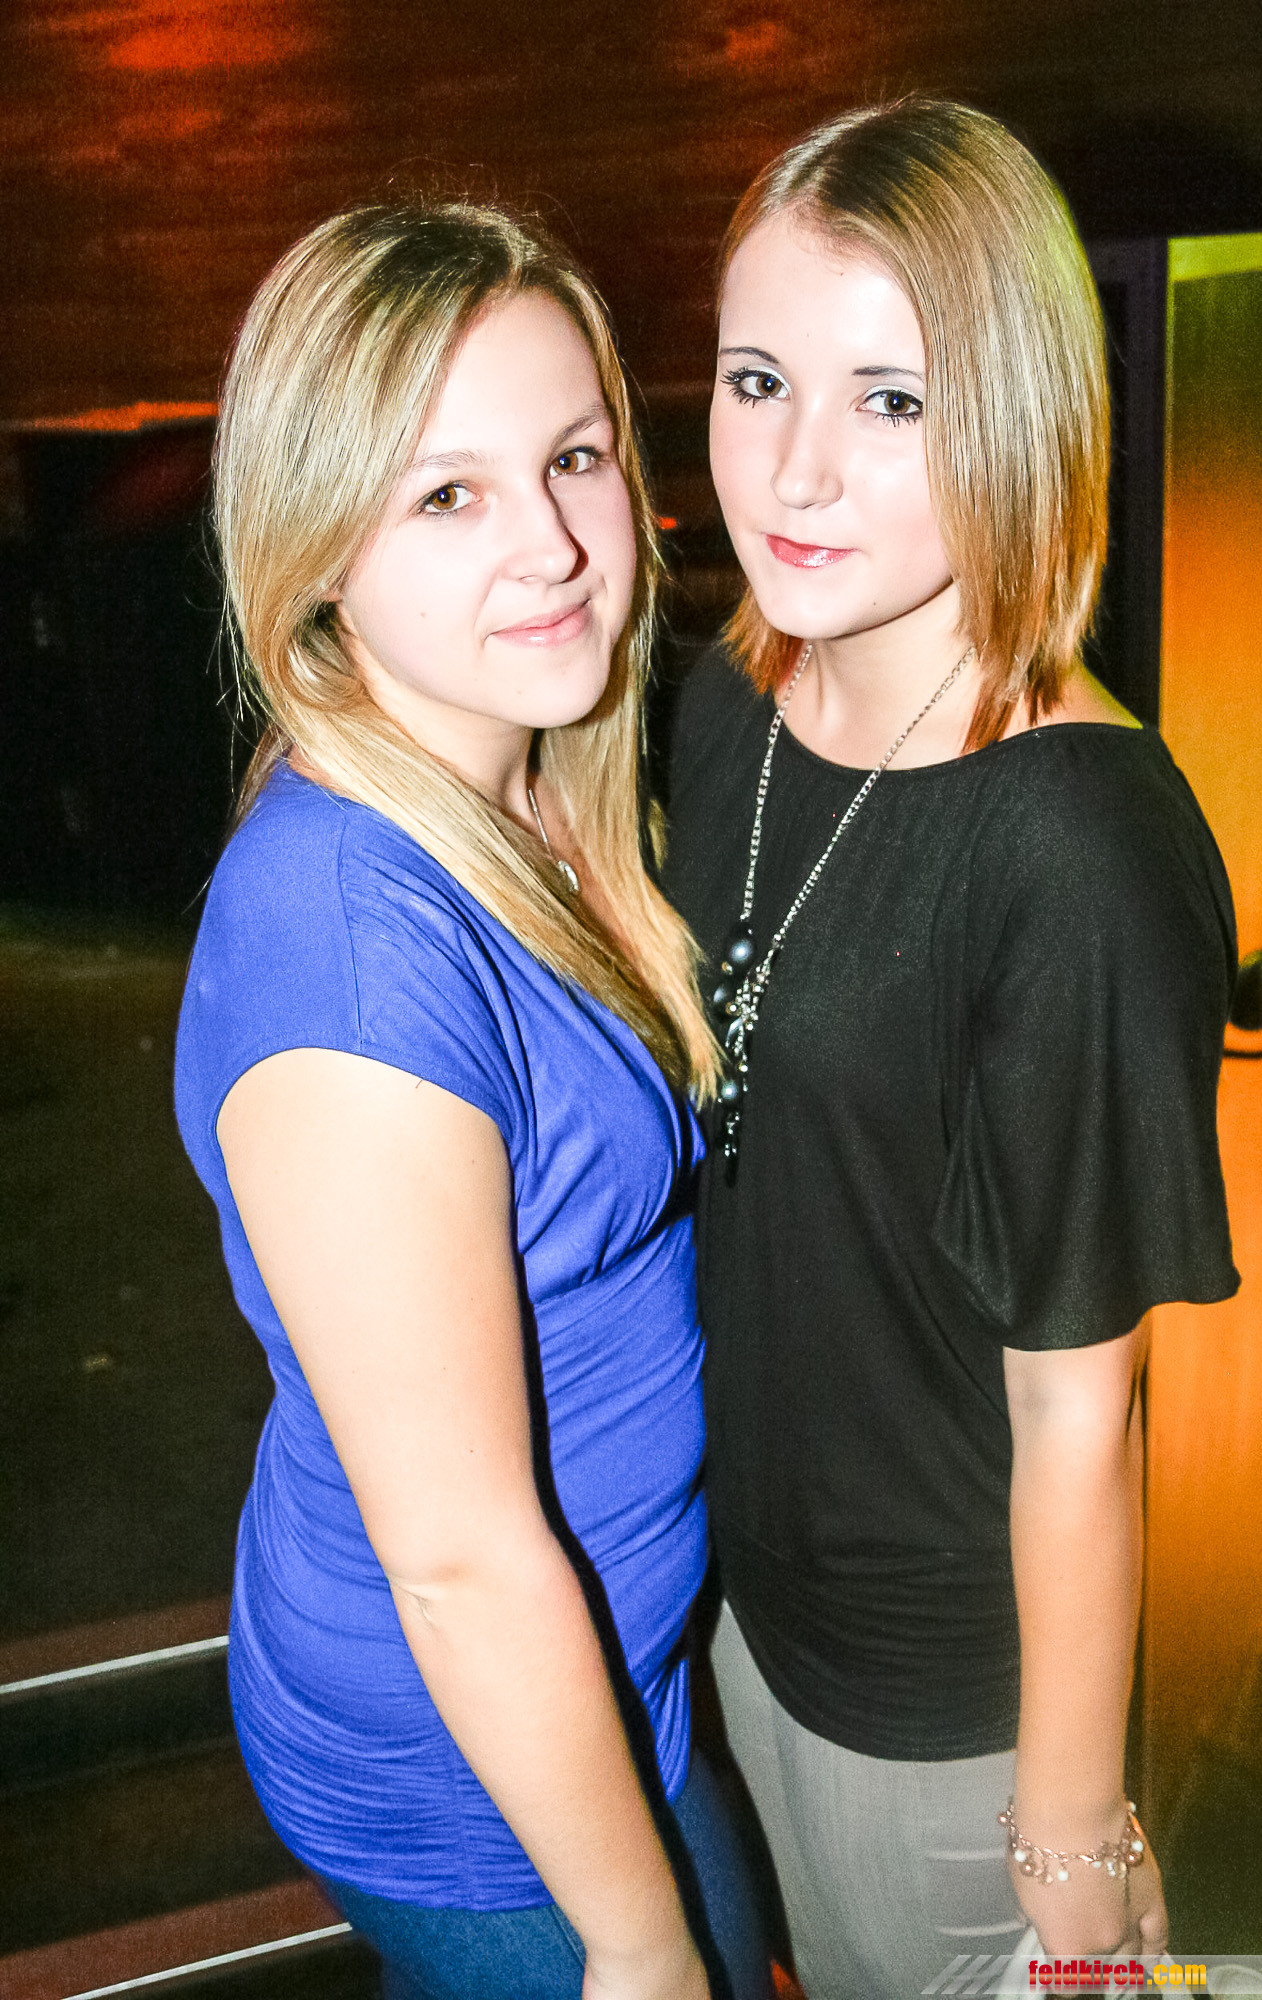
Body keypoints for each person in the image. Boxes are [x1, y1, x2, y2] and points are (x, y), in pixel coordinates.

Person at [661, 101, 1239, 1999]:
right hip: (732, 1598)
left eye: (891, 401)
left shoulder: (1073, 840)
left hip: (939, 1695)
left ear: (1015, 417)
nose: (795, 468)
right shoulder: (728, 704)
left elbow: (1081, 1409)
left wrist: (1067, 1831)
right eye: (758, 379)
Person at [174, 201, 772, 2000]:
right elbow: (456, 1560)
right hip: (471, 1767)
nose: (556, 545)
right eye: (447, 494)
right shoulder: (355, 965)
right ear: (315, 551)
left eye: (572, 457)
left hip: (611, 1672)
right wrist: (638, 1946)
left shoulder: (522, 782)